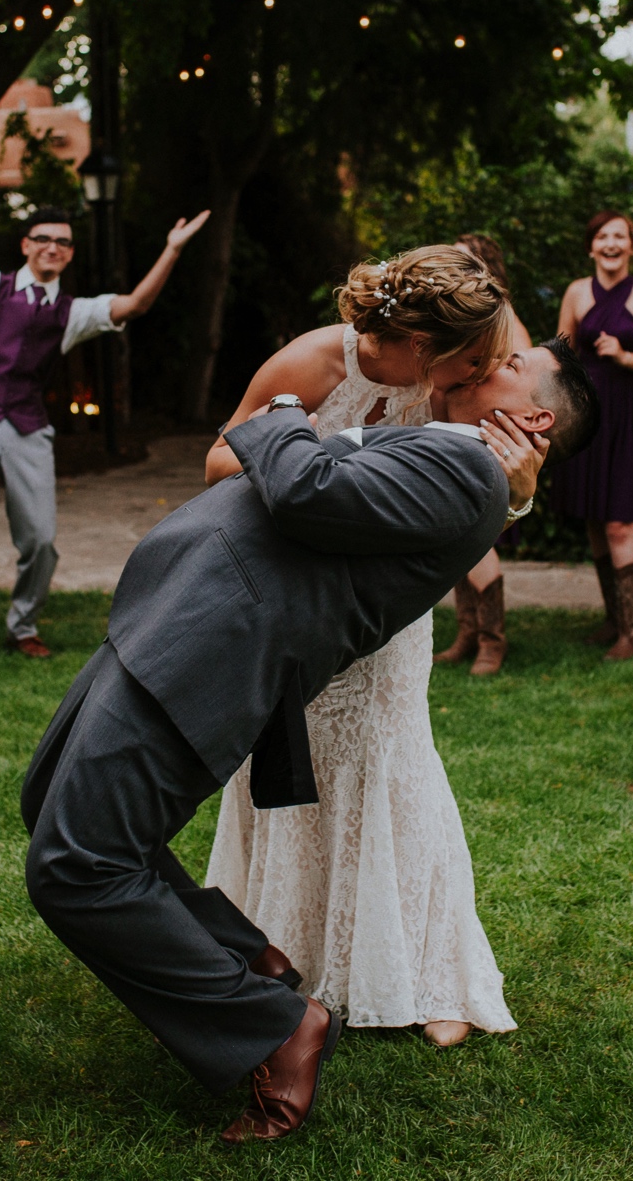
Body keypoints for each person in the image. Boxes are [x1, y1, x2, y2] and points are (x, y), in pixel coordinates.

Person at [21, 338, 598, 1143]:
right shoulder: (425, 418)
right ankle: (249, 958)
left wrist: (286, 416)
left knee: (76, 865)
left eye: (509, 360)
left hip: (213, 641)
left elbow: (303, 485)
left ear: (530, 415)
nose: (490, 356)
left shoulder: (469, 464)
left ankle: (272, 1022)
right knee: (49, 803)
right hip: (177, 613)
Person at [202, 246, 524, 1052]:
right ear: (422, 342)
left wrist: (518, 488)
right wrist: (313, 458)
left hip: (388, 614)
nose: (483, 370)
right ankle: (285, 952)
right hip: (295, 596)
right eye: (471, 357)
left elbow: (484, 484)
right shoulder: (317, 358)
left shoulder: (452, 380)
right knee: (288, 765)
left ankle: (432, 969)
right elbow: (217, 461)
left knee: (396, 763)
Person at [0, 141, 208, 666]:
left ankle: (22, 624)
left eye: (62, 242)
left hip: (26, 424)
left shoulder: (72, 312)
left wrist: (173, 249)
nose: (52, 247)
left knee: (42, 541)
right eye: (42, 238)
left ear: (70, 253)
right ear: (25, 245)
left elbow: (134, 304)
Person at [546, 211, 633, 660]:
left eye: (619, 236)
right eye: (602, 236)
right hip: (586, 413)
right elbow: (558, 354)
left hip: (630, 412)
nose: (610, 243)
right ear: (590, 247)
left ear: (631, 246)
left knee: (622, 517)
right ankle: (614, 620)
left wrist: (624, 357)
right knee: (594, 516)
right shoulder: (576, 292)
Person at [434, 232, 531, 675]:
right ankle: (468, 633)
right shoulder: (463, 317)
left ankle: (493, 639)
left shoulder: (504, 317)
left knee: (475, 536)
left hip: (487, 433)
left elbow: (521, 384)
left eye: (466, 261)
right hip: (455, 428)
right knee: (454, 530)